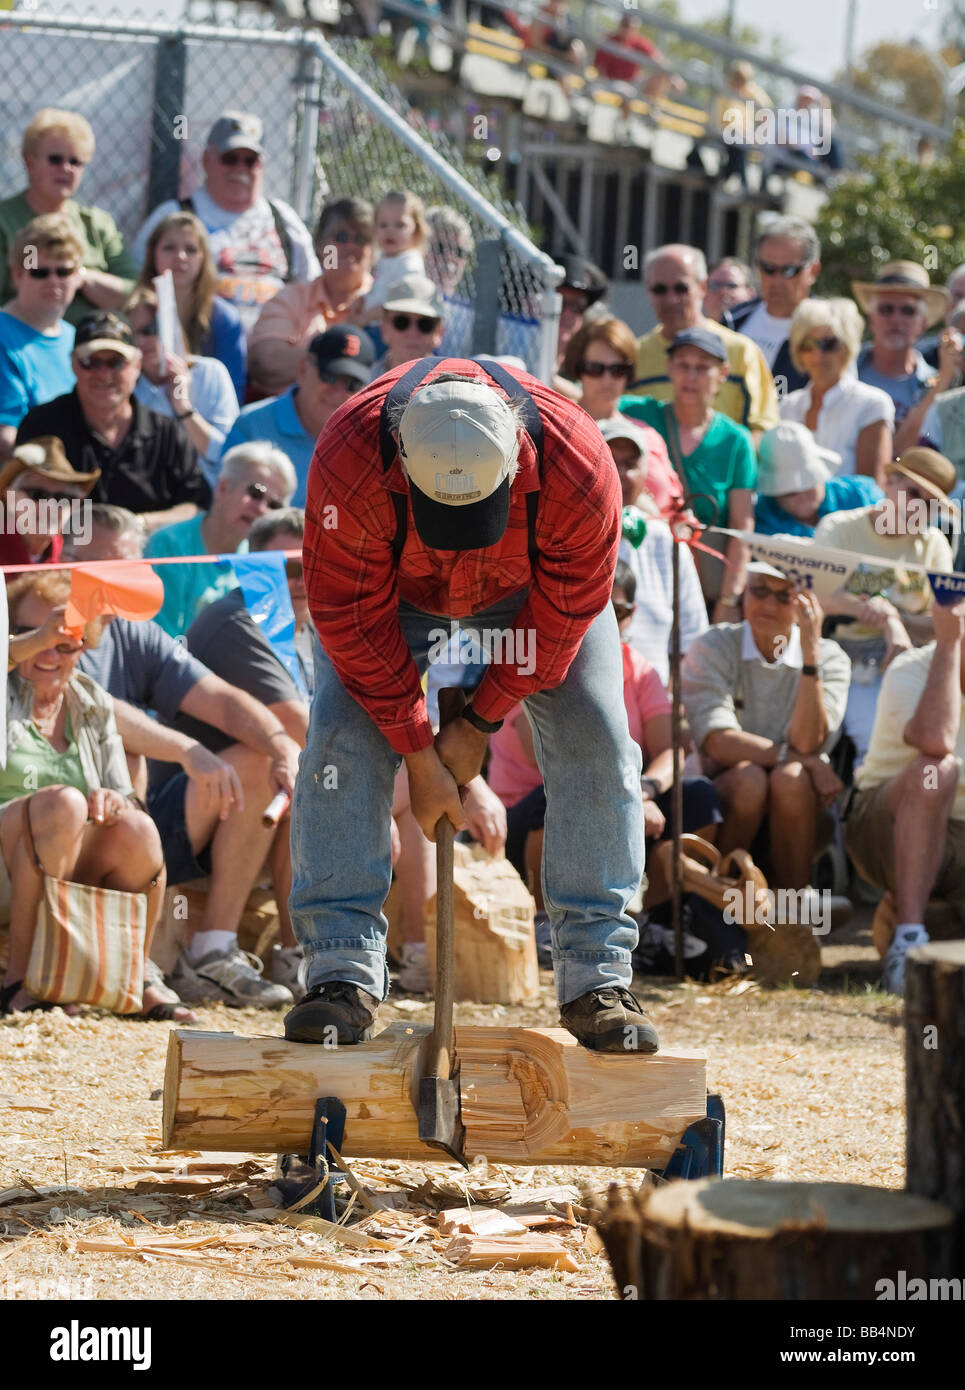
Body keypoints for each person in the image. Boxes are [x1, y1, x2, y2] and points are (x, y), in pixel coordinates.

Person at [285, 357, 659, 1055]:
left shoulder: (578, 458)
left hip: (530, 588)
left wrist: (479, 722)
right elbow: (350, 619)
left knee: (598, 740)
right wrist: (418, 750)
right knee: (340, 739)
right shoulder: (348, 456)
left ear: (518, 454)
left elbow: (561, 616)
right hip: (391, 588)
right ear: (400, 455)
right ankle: (338, 973)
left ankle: (597, 979)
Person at [69, 506, 303, 1007]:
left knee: (266, 763)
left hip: (137, 815)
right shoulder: (46, 626)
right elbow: (87, 698)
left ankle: (222, 954)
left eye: (130, 564)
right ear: (68, 560)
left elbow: (219, 698)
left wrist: (280, 742)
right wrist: (188, 749)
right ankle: (199, 956)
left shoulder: (133, 631)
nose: (122, 577)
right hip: (69, 813)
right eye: (105, 563)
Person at [0, 569, 188, 1021]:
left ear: (82, 648)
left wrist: (113, 800)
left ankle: (133, 978)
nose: (47, 650)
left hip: (57, 858)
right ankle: (22, 982)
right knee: (64, 802)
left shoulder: (91, 699)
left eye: (64, 640)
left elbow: (122, 788)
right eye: (31, 633)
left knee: (137, 827)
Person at [488, 559, 719, 909]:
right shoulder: (530, 657)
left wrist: (644, 791)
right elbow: (549, 758)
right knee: (554, 799)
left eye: (617, 611)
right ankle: (544, 920)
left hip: (616, 794)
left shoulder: (639, 669)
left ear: (632, 615)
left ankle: (656, 917)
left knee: (699, 797)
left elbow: (671, 752)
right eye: (595, 607)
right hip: (526, 811)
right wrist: (626, 797)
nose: (604, 622)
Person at [159, 507, 310, 995]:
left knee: (298, 773)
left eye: (310, 563)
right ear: (250, 568)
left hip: (231, 805)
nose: (300, 579)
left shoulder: (311, 625)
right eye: (283, 567)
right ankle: (211, 951)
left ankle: (299, 956)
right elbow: (296, 725)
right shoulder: (238, 617)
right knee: (273, 760)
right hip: (175, 803)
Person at [682, 561, 851, 890]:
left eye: (784, 596)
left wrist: (811, 654)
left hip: (800, 810)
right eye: (759, 590)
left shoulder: (829, 656)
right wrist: (802, 760)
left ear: (808, 604)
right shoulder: (713, 644)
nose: (769, 604)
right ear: (744, 591)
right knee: (751, 779)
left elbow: (808, 743)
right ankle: (716, 909)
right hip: (726, 802)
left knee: (790, 780)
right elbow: (718, 742)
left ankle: (791, 914)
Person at [844, 597, 965, 994]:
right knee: (935, 771)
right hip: (883, 832)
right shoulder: (910, 668)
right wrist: (949, 646)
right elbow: (935, 739)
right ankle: (908, 937)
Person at [814, 449, 956, 766]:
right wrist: (888, 618)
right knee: (853, 740)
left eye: (932, 503)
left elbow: (945, 622)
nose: (920, 508)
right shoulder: (839, 527)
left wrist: (895, 619)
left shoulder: (934, 544)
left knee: (910, 747)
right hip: (843, 658)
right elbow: (820, 596)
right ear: (889, 482)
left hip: (910, 664)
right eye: (914, 493)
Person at [16, 312, 210, 533]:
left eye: (116, 363)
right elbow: (23, 506)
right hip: (67, 556)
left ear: (137, 365)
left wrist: (136, 525)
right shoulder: (42, 425)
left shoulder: (167, 432)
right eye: (91, 362)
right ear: (73, 364)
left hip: (146, 557)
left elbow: (196, 506)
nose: (103, 374)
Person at [133, 112, 319, 335]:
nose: (240, 169)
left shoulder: (283, 218)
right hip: (200, 339)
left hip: (274, 344)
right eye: (229, 158)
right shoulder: (175, 215)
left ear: (261, 165)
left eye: (250, 161)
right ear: (206, 160)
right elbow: (139, 286)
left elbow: (312, 289)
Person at [620, 327, 756, 620]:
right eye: (683, 365)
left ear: (723, 373)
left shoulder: (736, 441)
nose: (691, 376)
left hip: (707, 591)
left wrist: (728, 602)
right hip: (648, 583)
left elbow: (742, 529)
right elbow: (590, 398)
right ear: (669, 369)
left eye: (702, 367)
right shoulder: (640, 414)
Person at [144, 441, 296, 638]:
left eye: (274, 505)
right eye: (255, 492)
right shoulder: (168, 545)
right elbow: (160, 641)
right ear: (222, 487)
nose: (261, 509)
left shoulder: (261, 559)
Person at [629, 243, 779, 440]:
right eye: (660, 289)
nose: (671, 298)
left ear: (702, 287)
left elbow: (761, 429)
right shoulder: (634, 356)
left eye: (681, 288)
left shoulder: (741, 352)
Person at [0, 109, 136, 325]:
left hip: (98, 350)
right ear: (29, 161)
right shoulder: (5, 222)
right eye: (55, 159)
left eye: (75, 162)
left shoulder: (96, 225)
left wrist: (80, 276)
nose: (66, 169)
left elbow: (134, 292)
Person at [222, 326, 375, 507]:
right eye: (329, 377)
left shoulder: (368, 444)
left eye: (352, 383)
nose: (338, 392)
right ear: (303, 369)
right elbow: (224, 507)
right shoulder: (251, 425)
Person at [602, 421, 706, 683]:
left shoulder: (666, 541)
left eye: (631, 464)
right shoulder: (566, 533)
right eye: (613, 461)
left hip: (655, 699)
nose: (622, 473)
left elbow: (692, 637)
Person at [248, 196, 375, 400]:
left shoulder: (381, 304)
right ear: (320, 245)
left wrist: (308, 360)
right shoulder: (290, 298)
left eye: (361, 239)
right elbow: (267, 363)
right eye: (341, 237)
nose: (351, 246)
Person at [559, 317, 683, 517]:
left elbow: (674, 509)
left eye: (618, 370)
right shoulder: (558, 429)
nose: (607, 381)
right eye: (595, 369)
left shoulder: (649, 436)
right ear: (578, 367)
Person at [127, 285, 238, 488]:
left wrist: (183, 408)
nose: (141, 341)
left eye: (151, 330)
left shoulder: (210, 372)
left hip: (214, 495)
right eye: (132, 334)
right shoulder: (127, 387)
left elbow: (228, 455)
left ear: (170, 327)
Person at [135, 210, 246, 404]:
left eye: (191, 249)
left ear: (204, 257)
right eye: (169, 247)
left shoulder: (225, 319)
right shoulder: (136, 312)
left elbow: (232, 394)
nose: (180, 256)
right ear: (153, 253)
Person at [780, 297, 893, 483]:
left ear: (847, 347)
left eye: (829, 344)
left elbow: (872, 489)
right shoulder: (787, 407)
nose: (818, 354)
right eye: (807, 345)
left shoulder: (872, 404)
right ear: (797, 351)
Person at [0, 215, 83, 461]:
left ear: (78, 276)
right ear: (17, 275)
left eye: (64, 271)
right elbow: (5, 440)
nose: (53, 281)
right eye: (39, 271)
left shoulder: (76, 338)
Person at [728, 217, 821, 395]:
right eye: (769, 268)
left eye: (789, 270)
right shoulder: (731, 322)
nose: (777, 280)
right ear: (757, 266)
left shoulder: (827, 332)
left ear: (813, 271)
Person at [852, 261, 949, 427]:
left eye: (908, 311)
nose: (896, 320)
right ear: (871, 319)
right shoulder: (844, 371)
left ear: (923, 323)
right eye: (886, 309)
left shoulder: (936, 387)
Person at [754, 421, 882, 538]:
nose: (801, 497)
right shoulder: (761, 515)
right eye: (789, 493)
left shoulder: (863, 494)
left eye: (807, 485)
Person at [0, 436, 99, 569]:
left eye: (61, 498)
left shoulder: (75, 556)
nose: (49, 506)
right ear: (9, 496)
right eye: (37, 494)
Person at [357, 190, 427, 324]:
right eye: (383, 225)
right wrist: (361, 300)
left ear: (416, 231)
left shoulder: (409, 262)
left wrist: (365, 317)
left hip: (390, 331)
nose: (390, 231)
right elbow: (379, 292)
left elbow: (400, 302)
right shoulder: (386, 258)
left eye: (400, 225)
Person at [592, 11, 685, 101]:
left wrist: (674, 78)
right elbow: (600, 70)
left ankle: (651, 109)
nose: (626, 29)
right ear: (619, 25)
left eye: (629, 26)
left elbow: (659, 60)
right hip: (612, 82)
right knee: (625, 93)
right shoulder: (608, 40)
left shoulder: (639, 42)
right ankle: (625, 115)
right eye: (624, 25)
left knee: (661, 77)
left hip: (634, 82)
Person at [370, 275, 446, 378]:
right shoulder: (360, 383)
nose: (412, 333)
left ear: (439, 333)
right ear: (384, 329)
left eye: (425, 324)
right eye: (401, 322)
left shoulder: (450, 389)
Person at [554, 254, 609, 371]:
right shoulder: (518, 352)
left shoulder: (590, 364)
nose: (567, 313)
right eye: (559, 303)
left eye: (578, 306)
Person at [704, 257, 755, 325]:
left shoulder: (759, 332)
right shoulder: (692, 332)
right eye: (715, 285)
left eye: (732, 286)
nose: (722, 292)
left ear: (751, 293)